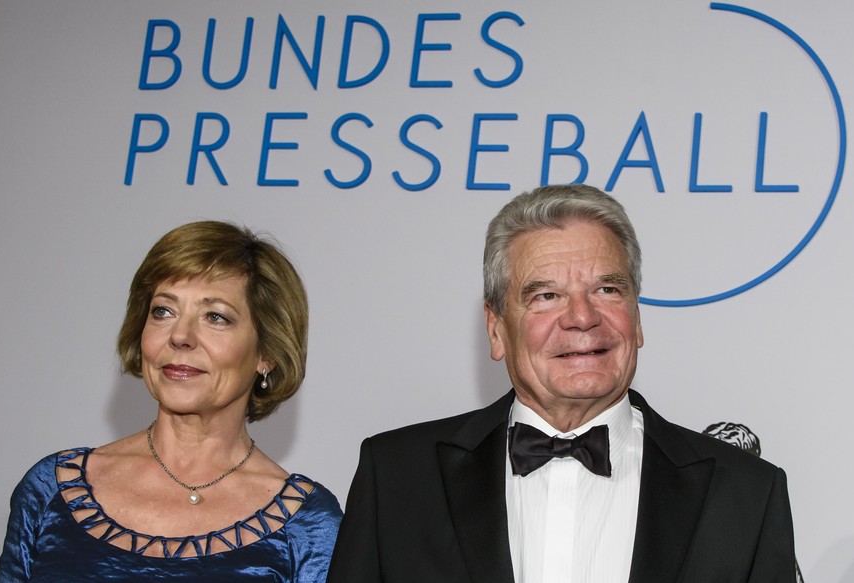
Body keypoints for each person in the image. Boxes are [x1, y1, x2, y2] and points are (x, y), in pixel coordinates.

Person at [327, 184, 796, 582]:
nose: (582, 317)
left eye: (607, 290)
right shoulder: (396, 477)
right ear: (496, 328)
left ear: (637, 317)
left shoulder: (745, 493)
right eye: (547, 295)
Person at [0, 221, 342, 582]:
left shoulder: (307, 524)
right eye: (163, 311)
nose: (180, 336)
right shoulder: (52, 489)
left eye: (215, 317)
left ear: (266, 354)